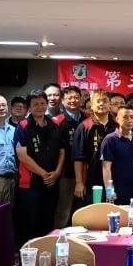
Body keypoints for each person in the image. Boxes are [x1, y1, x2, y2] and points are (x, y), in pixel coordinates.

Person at [14, 89, 64, 244]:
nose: (40, 107)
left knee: (48, 219)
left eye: (43, 103)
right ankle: (27, 253)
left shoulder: (55, 124)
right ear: (29, 107)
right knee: (29, 221)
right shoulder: (23, 126)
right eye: (35, 104)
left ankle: (46, 251)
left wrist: (57, 172)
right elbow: (22, 156)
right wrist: (44, 174)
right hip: (30, 183)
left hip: (52, 181)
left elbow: (62, 151)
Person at [72, 90, 117, 202]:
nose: (101, 104)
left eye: (105, 101)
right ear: (91, 105)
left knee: (114, 210)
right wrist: (79, 182)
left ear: (110, 105)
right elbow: (78, 158)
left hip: (115, 179)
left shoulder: (117, 126)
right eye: (98, 101)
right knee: (94, 211)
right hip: (92, 181)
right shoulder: (84, 126)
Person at [51, 86, 84, 226]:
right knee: (64, 209)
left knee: (83, 210)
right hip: (66, 172)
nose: (73, 100)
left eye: (76, 97)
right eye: (69, 98)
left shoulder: (88, 118)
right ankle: (59, 236)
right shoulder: (56, 121)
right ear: (62, 101)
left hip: (86, 171)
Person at [100, 105, 133, 205]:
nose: (129, 120)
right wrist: (109, 191)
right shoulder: (110, 139)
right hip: (117, 190)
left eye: (132, 117)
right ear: (117, 119)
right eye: (125, 117)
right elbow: (106, 168)